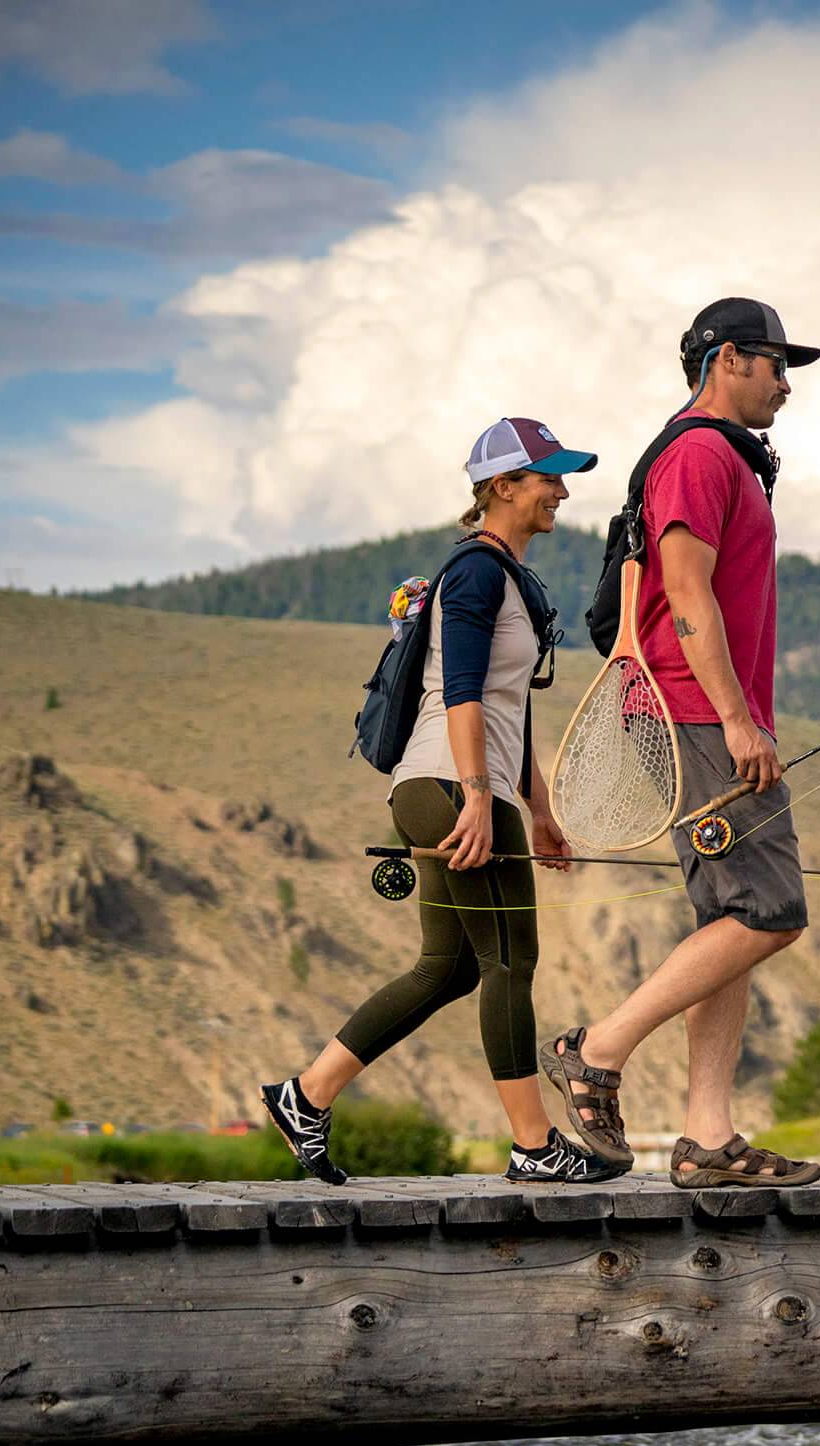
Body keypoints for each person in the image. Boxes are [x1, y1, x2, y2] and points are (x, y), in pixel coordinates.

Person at [260, 418, 626, 1187]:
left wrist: (542, 810)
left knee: (448, 966)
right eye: (547, 478)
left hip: (466, 788)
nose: (561, 491)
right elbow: (459, 690)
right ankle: (534, 1145)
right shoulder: (475, 575)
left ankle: (307, 1094)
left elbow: (509, 710)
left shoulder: (510, 578)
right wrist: (474, 798)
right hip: (452, 788)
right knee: (511, 961)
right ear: (502, 488)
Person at [539, 299, 820, 1188]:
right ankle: (599, 1047)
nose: (785, 384)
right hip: (698, 712)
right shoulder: (700, 453)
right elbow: (686, 591)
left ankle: (706, 1137)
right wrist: (737, 719)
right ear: (729, 358)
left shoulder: (713, 454)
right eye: (776, 364)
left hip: (696, 708)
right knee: (770, 911)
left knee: (727, 917)